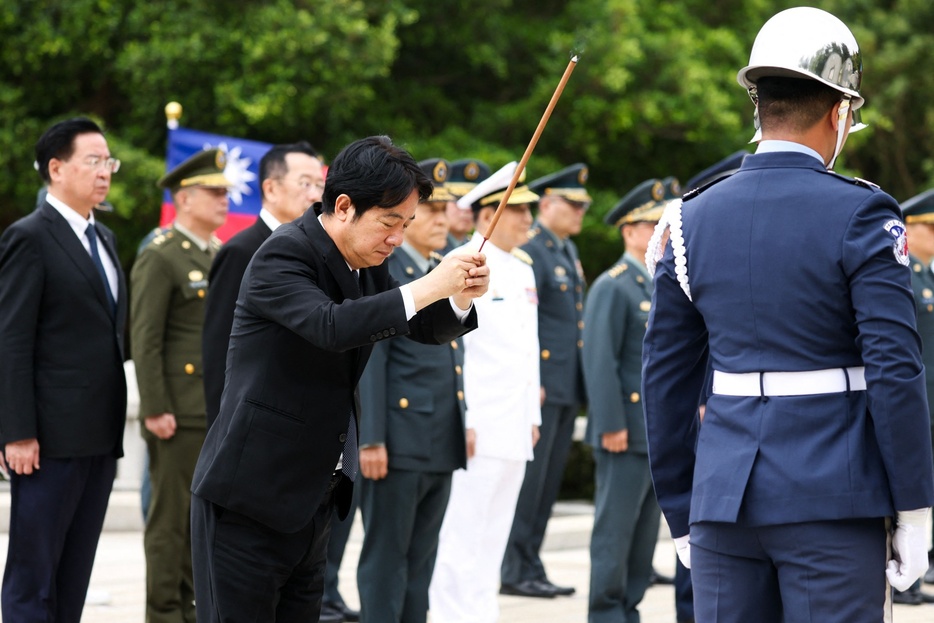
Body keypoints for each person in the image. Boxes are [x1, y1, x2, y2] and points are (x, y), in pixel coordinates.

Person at [642, 7, 934, 622]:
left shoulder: (687, 219)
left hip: (722, 504)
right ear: (840, 112)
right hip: (834, 499)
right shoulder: (862, 213)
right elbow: (894, 370)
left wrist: (680, 508)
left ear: (758, 107)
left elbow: (665, 381)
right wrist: (914, 507)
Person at [189, 135, 488, 622]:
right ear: (344, 206)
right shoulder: (280, 253)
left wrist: (460, 296)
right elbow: (331, 326)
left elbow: (421, 323)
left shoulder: (366, 264)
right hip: (249, 498)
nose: (397, 238)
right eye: (390, 223)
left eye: (406, 225)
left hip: (313, 502)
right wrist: (433, 282)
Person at [0, 117, 127, 622]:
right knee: (34, 576)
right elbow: (11, 340)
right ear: (56, 168)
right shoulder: (29, 237)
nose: (104, 172)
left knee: (74, 575)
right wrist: (17, 432)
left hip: (99, 436)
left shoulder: (106, 240)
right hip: (47, 441)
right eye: (92, 161)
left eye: (108, 162)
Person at [355, 158, 468, 623]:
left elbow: (449, 358)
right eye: (432, 211)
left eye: (446, 211)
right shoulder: (387, 267)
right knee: (387, 560)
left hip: (437, 435)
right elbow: (370, 357)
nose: (442, 220)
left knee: (421, 561)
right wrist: (372, 438)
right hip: (397, 440)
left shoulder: (438, 268)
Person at [429, 163, 542, 622]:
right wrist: (467, 417)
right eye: (517, 210)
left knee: (494, 528)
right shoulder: (465, 263)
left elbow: (526, 348)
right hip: (479, 419)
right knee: (462, 528)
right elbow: (458, 351)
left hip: (514, 421)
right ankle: (451, 613)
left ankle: (480, 610)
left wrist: (531, 417)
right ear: (488, 213)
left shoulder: (521, 270)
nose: (527, 219)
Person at [131, 147, 233, 623]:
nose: (224, 200)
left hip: (212, 408)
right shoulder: (161, 254)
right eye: (214, 192)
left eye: (225, 192)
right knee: (170, 523)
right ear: (184, 199)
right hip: (177, 409)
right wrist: (154, 406)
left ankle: (193, 612)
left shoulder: (217, 253)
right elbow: (145, 338)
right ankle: (165, 613)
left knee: (202, 524)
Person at [583, 177, 676, 623]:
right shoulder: (613, 285)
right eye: (653, 223)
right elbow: (598, 361)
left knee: (643, 537)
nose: (663, 231)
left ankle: (630, 610)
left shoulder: (659, 282)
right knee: (614, 534)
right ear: (629, 231)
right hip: (624, 431)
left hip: (654, 432)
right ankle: (605, 612)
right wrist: (609, 424)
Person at [500, 163, 590, 598]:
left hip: (563, 382)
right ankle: (514, 566)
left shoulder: (565, 251)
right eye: (572, 204)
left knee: (547, 483)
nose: (580, 213)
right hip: (539, 383)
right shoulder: (533, 250)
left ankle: (530, 561)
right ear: (548, 203)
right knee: (529, 482)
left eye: (583, 206)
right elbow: (523, 321)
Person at [202, 141, 324, 427]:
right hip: (250, 422)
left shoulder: (316, 253)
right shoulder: (242, 251)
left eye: (320, 185)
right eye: (305, 183)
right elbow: (218, 350)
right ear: (271, 189)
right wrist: (221, 430)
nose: (316, 195)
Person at [897, 188, 934, 605]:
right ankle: (904, 581)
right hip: (914, 400)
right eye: (930, 227)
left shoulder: (925, 273)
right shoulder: (905, 271)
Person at [443, 158, 490, 251]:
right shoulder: (427, 247)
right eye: (459, 200)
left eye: (474, 202)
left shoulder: (478, 247)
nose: (468, 209)